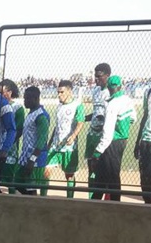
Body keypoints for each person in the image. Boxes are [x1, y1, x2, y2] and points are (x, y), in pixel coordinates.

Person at [89, 75, 136, 202]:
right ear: (120, 86)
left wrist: (97, 151)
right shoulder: (127, 100)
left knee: (110, 175)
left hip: (112, 142)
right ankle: (97, 199)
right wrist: (122, 125)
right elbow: (133, 118)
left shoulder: (112, 104)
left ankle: (113, 204)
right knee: (108, 173)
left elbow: (108, 132)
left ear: (109, 88)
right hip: (122, 140)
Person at [46, 80, 85, 198]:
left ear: (69, 92)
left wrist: (73, 136)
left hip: (69, 146)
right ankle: (43, 197)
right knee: (46, 170)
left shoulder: (77, 105)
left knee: (69, 175)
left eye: (62, 92)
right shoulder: (59, 106)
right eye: (58, 92)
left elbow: (80, 122)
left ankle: (70, 199)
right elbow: (56, 126)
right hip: (55, 145)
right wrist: (50, 142)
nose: (59, 95)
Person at [14, 86, 50, 196]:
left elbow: (42, 141)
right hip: (26, 156)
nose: (24, 101)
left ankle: (36, 208)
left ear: (35, 99)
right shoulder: (31, 113)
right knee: (17, 183)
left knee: (31, 189)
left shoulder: (41, 116)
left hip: (34, 159)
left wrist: (32, 160)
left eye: (26, 99)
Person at [85, 63, 111, 196]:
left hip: (103, 136)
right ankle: (91, 197)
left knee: (104, 167)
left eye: (99, 76)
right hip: (92, 134)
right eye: (95, 76)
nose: (96, 79)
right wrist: (82, 118)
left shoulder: (111, 92)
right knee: (91, 167)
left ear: (107, 76)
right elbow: (95, 113)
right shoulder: (95, 91)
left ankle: (106, 197)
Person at [134, 68, 151, 204]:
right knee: (143, 171)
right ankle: (147, 201)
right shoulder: (148, 93)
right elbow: (145, 116)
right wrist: (138, 141)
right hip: (146, 138)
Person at [0, 79, 24, 193]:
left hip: (10, 150)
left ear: (9, 92)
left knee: (9, 179)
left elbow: (19, 130)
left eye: (1, 92)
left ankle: (12, 199)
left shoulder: (18, 108)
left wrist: (8, 144)